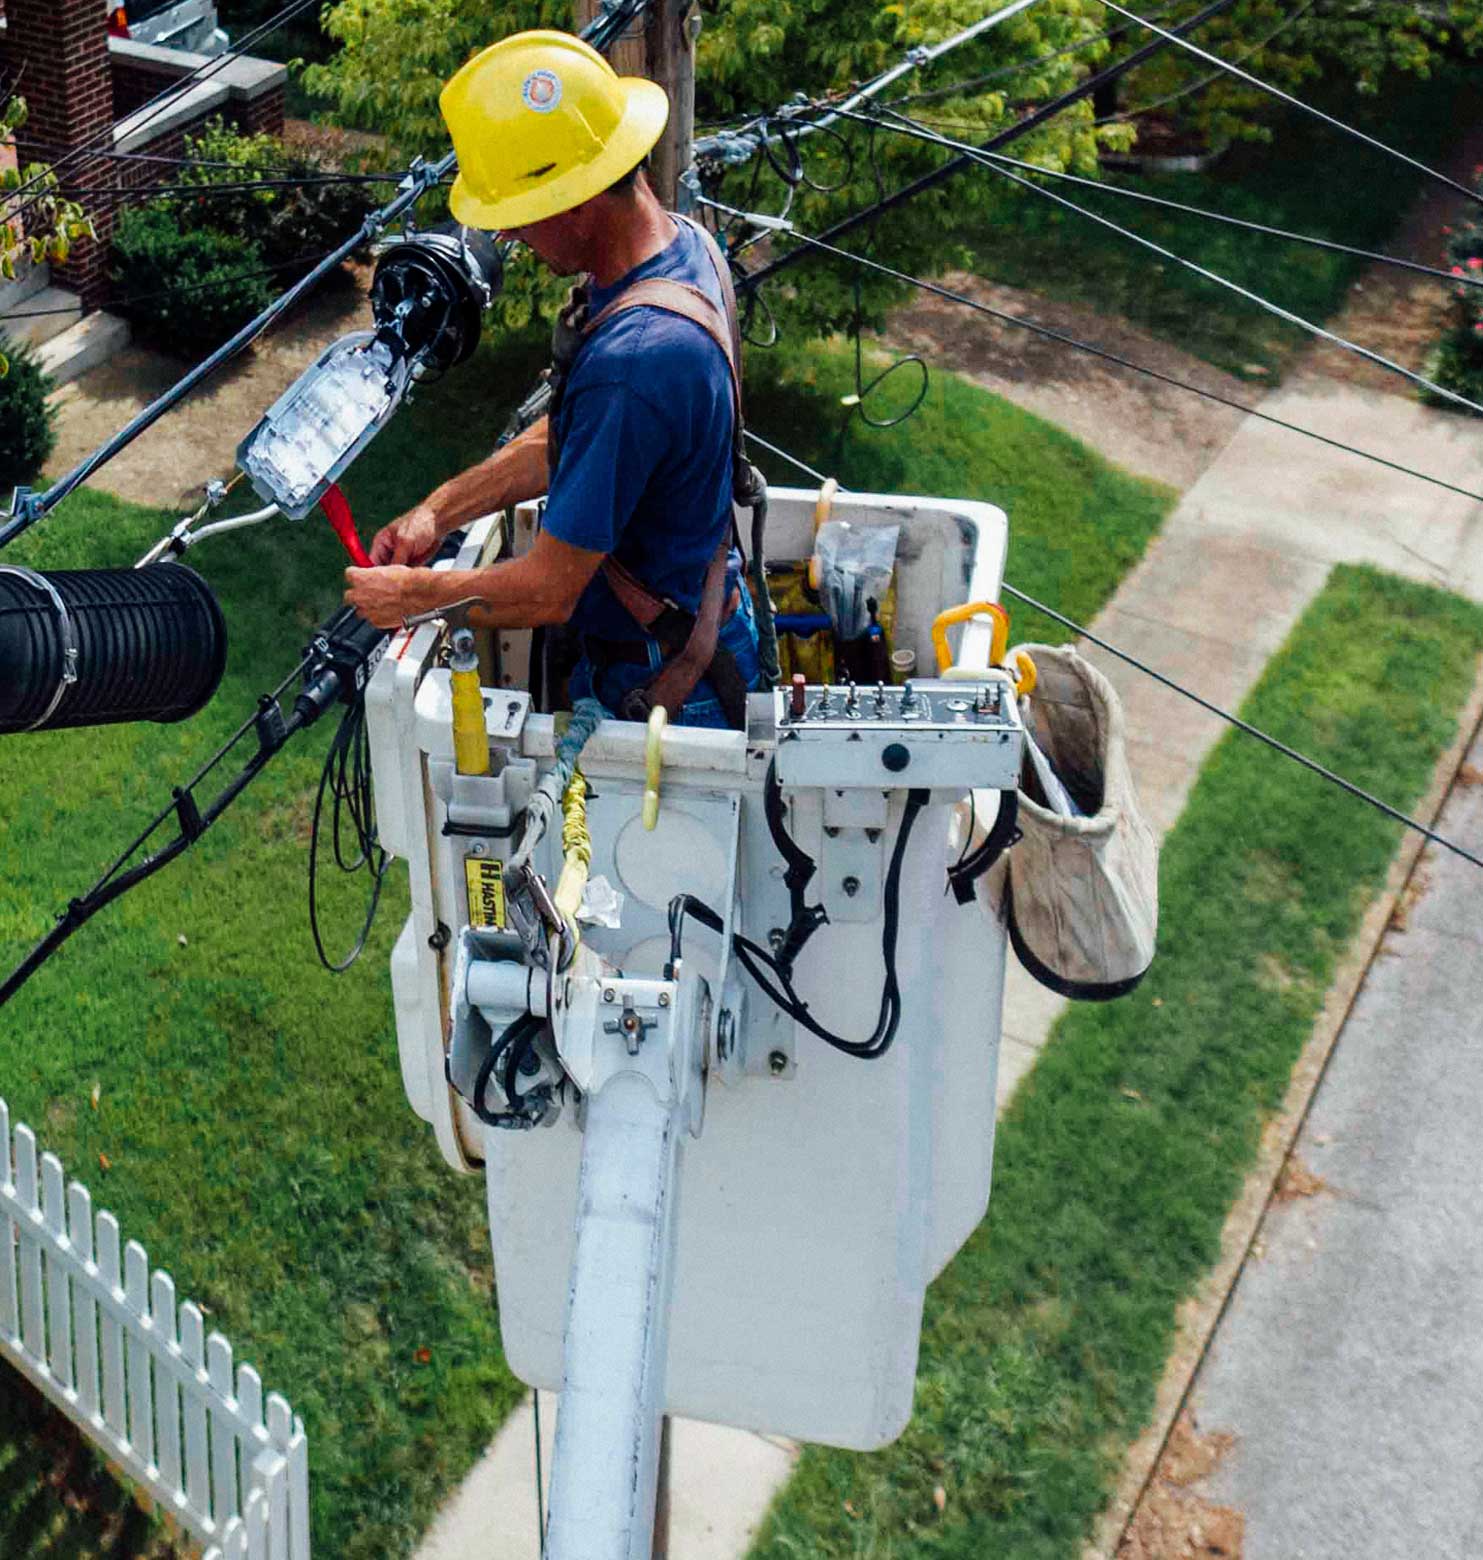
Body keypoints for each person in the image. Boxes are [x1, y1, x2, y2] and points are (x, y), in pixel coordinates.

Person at [343, 28, 765, 729]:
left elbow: (546, 592)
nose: (510, 240)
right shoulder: (682, 250)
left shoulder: (635, 362)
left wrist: (410, 597)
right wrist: (437, 512)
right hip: (700, 629)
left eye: (517, 218)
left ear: (573, 202)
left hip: (665, 686)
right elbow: (575, 438)